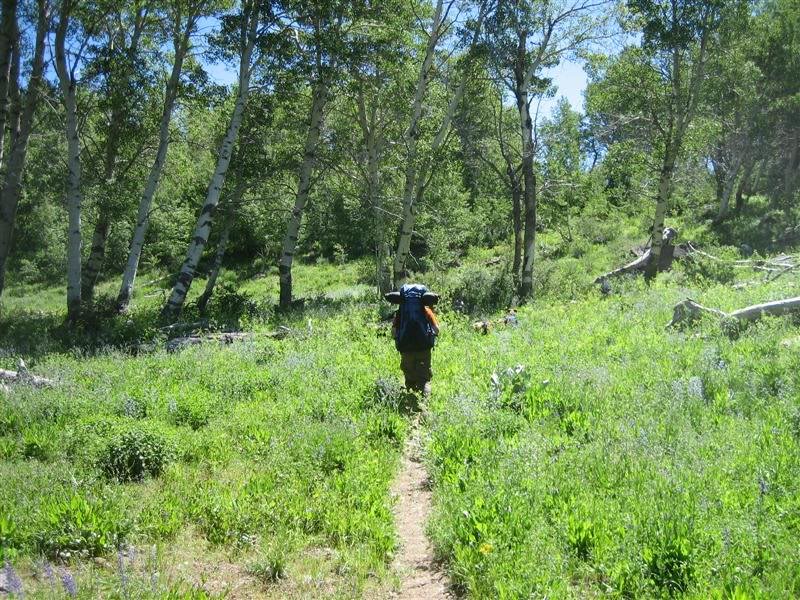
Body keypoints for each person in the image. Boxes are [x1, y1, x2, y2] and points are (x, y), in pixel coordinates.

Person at [385, 283, 440, 396]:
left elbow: (393, 332)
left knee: (409, 378)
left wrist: (398, 338)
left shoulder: (401, 312)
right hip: (423, 349)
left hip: (406, 349)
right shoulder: (426, 311)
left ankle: (411, 399)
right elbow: (437, 329)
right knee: (424, 379)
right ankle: (424, 403)